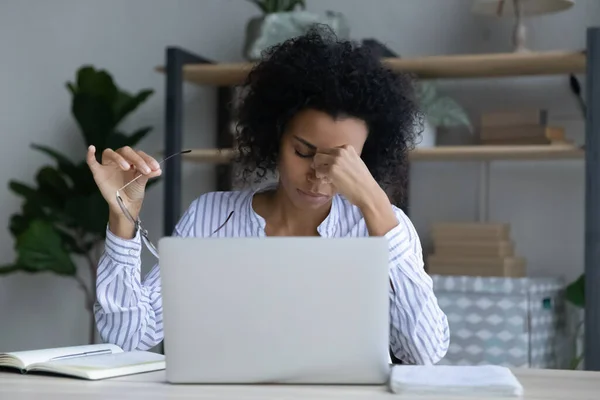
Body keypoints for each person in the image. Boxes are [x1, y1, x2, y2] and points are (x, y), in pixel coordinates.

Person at [88, 26, 450, 365]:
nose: (318, 177)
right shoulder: (211, 218)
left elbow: (425, 353)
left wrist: (375, 205)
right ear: (275, 137)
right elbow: (127, 339)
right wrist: (124, 215)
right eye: (304, 152)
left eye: (344, 162)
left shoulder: (385, 227)